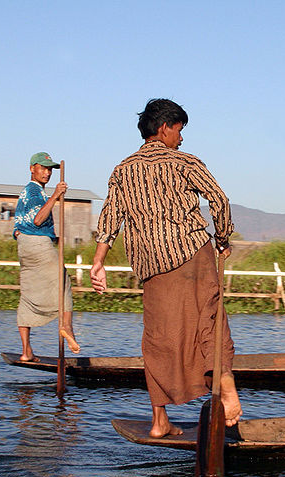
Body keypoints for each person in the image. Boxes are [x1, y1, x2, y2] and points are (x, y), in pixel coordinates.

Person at [90, 98, 242, 437]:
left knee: (157, 340)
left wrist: (98, 262)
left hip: (151, 265)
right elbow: (219, 199)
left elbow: (110, 219)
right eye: (179, 130)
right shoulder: (183, 162)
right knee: (210, 320)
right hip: (191, 253)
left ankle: (159, 421)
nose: (181, 138)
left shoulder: (122, 169)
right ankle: (225, 382)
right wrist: (223, 237)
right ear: (164, 128)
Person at [13, 151, 79, 362]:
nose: (47, 172)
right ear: (32, 168)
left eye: (50, 169)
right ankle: (66, 326)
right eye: (42, 168)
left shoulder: (27, 193)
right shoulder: (33, 191)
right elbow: (38, 220)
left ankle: (26, 351)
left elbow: (18, 227)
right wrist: (55, 196)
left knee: (28, 294)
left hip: (25, 246)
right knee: (63, 282)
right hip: (37, 246)